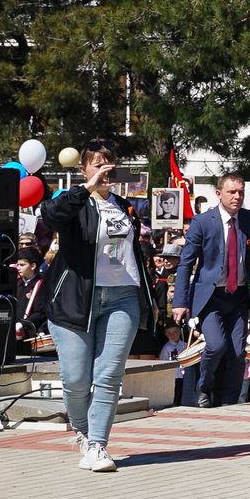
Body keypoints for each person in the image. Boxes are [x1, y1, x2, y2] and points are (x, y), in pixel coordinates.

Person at [40, 138, 157, 473]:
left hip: (122, 297)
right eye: (96, 163)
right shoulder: (73, 203)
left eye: (108, 164)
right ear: (84, 169)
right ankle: (82, 432)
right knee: (77, 379)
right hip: (75, 301)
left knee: (108, 376)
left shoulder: (125, 206)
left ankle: (98, 445)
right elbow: (50, 216)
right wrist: (85, 189)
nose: (104, 170)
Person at [172, 175, 250, 408]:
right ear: (219, 194)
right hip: (211, 297)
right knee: (216, 345)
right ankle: (204, 386)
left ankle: (229, 402)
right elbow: (185, 263)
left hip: (239, 297)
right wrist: (179, 302)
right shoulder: (203, 222)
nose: (237, 197)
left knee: (236, 353)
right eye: (232, 192)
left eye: (241, 192)